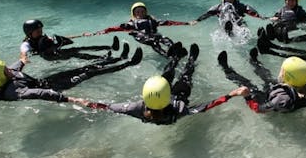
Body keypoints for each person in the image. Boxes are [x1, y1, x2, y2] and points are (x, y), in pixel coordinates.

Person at [74, 44, 250, 125]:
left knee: (169, 74)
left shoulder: (137, 108)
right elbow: (207, 106)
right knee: (185, 76)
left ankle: (175, 59)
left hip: (166, 98)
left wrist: (83, 102)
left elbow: (107, 107)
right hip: (179, 97)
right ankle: (190, 60)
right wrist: (231, 94)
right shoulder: (179, 110)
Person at [0, 43, 142, 103]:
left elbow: (19, 63)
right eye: (5, 70)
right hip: (53, 88)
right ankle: (128, 63)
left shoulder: (6, 75)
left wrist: (24, 56)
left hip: (45, 81)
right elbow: (40, 94)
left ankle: (116, 58)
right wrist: (69, 99)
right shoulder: (14, 91)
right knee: (88, 74)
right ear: (1, 77)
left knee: (81, 69)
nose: (9, 68)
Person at [217, 49, 306, 113]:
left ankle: (226, 69)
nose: (280, 72)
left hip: (267, 100)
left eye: (282, 71)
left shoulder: (281, 99)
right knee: (267, 77)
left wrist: (247, 97)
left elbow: (258, 109)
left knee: (248, 85)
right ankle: (254, 61)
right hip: (282, 93)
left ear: (288, 78)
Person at [92, 2, 189, 58]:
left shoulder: (152, 20)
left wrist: (186, 23)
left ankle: (174, 49)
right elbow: (116, 28)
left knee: (165, 39)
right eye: (137, 12)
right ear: (133, 14)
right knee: (153, 43)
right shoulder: (132, 23)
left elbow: (168, 22)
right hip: (141, 37)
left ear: (146, 12)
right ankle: (166, 55)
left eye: (142, 11)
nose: (140, 13)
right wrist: (102, 31)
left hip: (154, 35)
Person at [20, 19, 115, 62]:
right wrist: (24, 59)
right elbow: (23, 53)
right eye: (37, 31)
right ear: (29, 33)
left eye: (41, 30)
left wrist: (81, 35)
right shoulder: (26, 44)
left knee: (79, 48)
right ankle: (101, 58)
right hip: (49, 57)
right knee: (75, 54)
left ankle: (109, 47)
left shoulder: (43, 38)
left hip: (54, 51)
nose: (40, 32)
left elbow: (62, 38)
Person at [189, 0, 264, 34]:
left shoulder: (240, 6)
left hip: (239, 24)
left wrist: (260, 16)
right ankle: (229, 33)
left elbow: (250, 11)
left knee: (244, 30)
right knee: (226, 26)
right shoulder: (219, 7)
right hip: (225, 25)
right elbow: (208, 14)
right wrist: (197, 20)